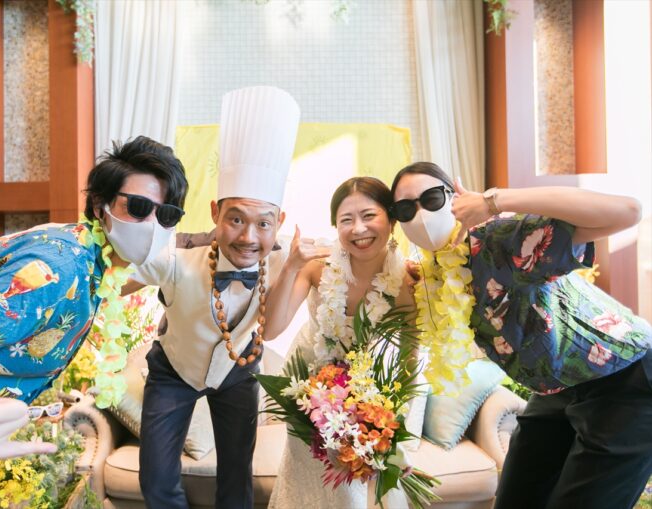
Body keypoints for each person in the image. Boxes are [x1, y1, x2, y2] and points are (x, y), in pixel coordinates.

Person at [0, 135, 188, 509]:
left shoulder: (92, 262)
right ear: (101, 206)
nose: (152, 225)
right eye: (139, 207)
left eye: (167, 215)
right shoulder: (61, 268)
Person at [390, 161, 652, 509]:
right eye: (405, 208)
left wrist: (494, 200)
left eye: (431, 198)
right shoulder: (431, 273)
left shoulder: (499, 239)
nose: (421, 214)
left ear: (454, 197)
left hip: (624, 378)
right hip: (556, 388)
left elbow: (628, 211)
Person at [131, 86, 299, 509]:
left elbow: (354, 255)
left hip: (239, 373)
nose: (248, 237)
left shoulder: (289, 259)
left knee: (236, 480)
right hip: (173, 370)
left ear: (280, 221)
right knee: (156, 479)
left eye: (263, 223)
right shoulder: (177, 254)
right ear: (214, 213)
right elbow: (110, 264)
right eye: (236, 219)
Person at [264, 176, 416, 509]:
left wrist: (394, 427)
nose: (359, 229)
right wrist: (291, 265)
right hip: (309, 389)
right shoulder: (318, 267)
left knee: (354, 492)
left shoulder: (406, 281)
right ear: (336, 226)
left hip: (369, 395)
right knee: (311, 483)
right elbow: (270, 330)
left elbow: (410, 356)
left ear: (391, 220)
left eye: (369, 216)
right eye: (347, 219)